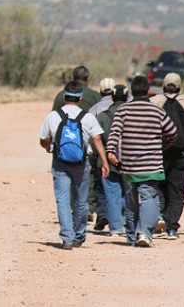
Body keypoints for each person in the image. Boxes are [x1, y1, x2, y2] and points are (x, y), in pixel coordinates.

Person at [106, 76, 177, 247]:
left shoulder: (123, 110)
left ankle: (131, 237)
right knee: (149, 197)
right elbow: (173, 133)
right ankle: (144, 233)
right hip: (151, 164)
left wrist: (110, 151)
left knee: (131, 202)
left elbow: (114, 133)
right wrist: (162, 147)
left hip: (129, 164)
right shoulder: (157, 111)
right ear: (148, 92)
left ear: (131, 92)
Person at [40, 81, 110, 250]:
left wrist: (49, 147)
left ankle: (67, 237)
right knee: (80, 200)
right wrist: (105, 162)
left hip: (60, 162)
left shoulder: (53, 116)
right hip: (81, 162)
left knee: (63, 200)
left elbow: (43, 139)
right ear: (80, 98)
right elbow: (97, 140)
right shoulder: (88, 117)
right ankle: (79, 235)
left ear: (64, 97)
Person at [150, 73, 184, 240]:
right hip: (181, 152)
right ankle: (172, 227)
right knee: (177, 190)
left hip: (159, 152)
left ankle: (159, 216)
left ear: (163, 87)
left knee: (158, 186)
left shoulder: (155, 101)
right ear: (180, 87)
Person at [96, 84, 129, 236]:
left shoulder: (102, 116)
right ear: (127, 97)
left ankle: (115, 228)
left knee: (112, 194)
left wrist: (95, 161)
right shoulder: (133, 115)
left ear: (112, 97)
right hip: (131, 161)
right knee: (129, 193)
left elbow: (94, 141)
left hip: (107, 162)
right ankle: (129, 224)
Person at [88, 77, 116, 231]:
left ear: (100, 91)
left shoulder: (96, 109)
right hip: (122, 154)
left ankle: (103, 215)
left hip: (102, 154)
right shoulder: (126, 106)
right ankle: (119, 218)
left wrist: (92, 159)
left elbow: (93, 137)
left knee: (100, 186)